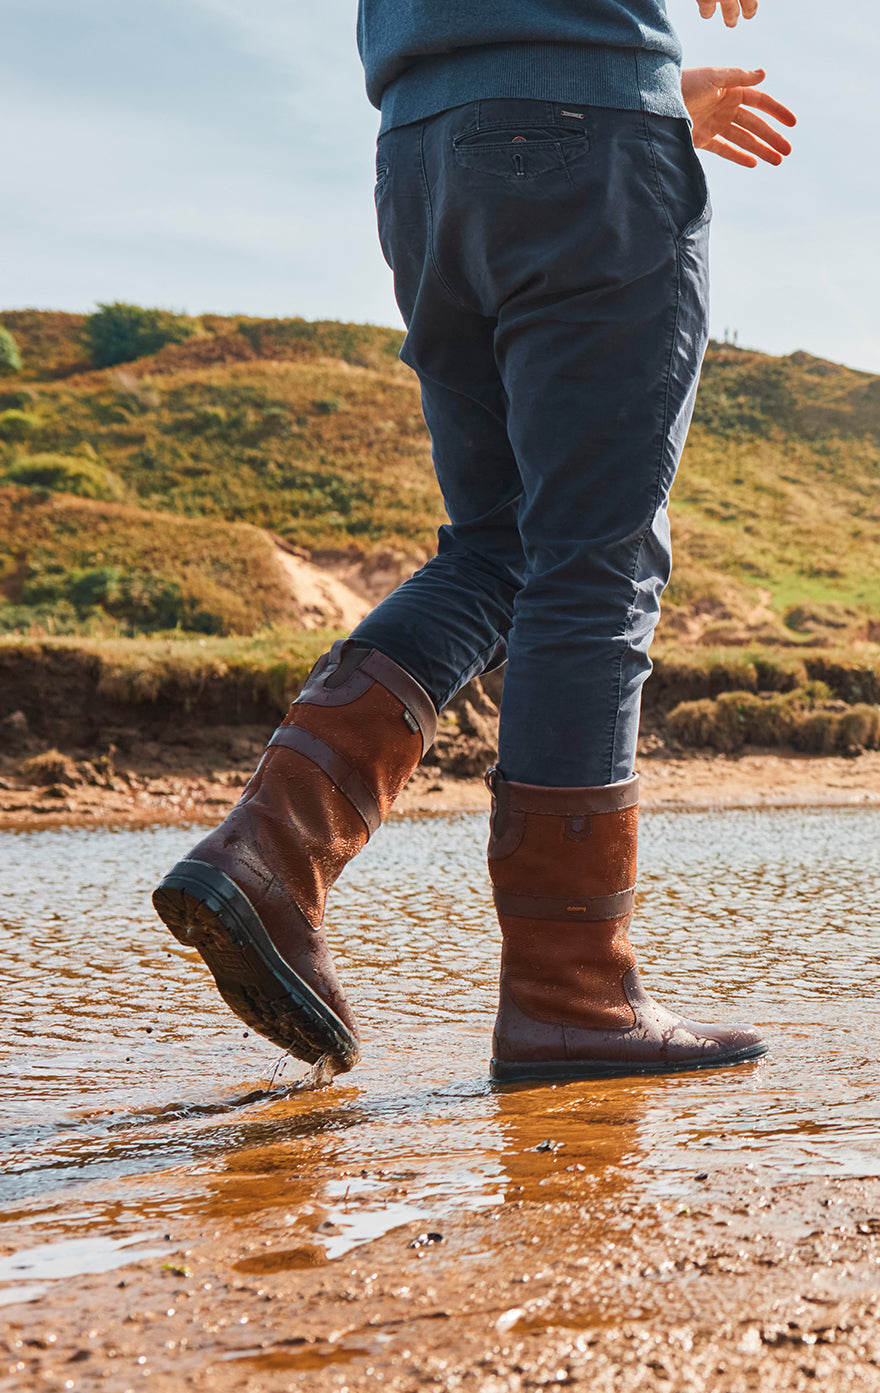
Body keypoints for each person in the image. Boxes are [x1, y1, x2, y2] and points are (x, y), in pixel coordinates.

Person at [153, 0, 796, 1083]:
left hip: (423, 153)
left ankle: (273, 847)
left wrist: (603, 81)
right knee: (596, 561)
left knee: (499, 550)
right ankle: (571, 1001)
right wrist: (602, 82)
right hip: (583, 142)